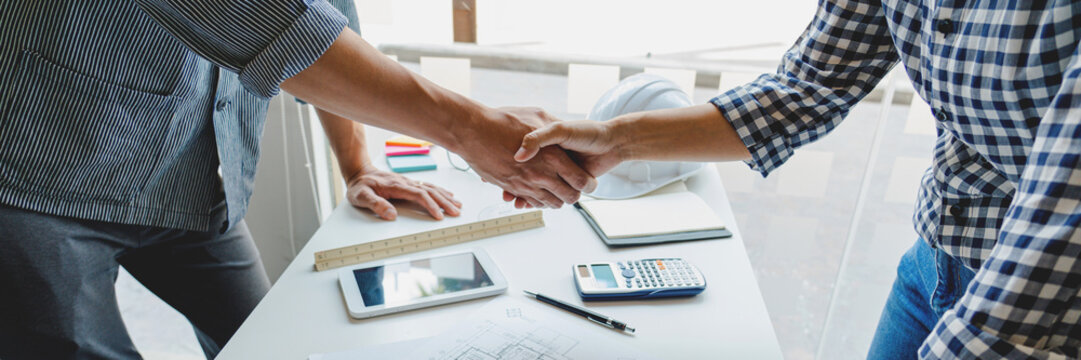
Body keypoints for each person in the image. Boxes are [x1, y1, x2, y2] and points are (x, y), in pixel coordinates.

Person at [0, 1, 593, 359]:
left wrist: (359, 164)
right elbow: (279, 28)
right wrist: (470, 128)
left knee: (272, 345)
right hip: (36, 175)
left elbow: (327, 23)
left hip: (191, 177)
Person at [514, 1, 1081, 358]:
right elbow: (808, 89)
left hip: (1045, 304)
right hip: (934, 261)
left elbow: (1065, 205)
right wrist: (617, 138)